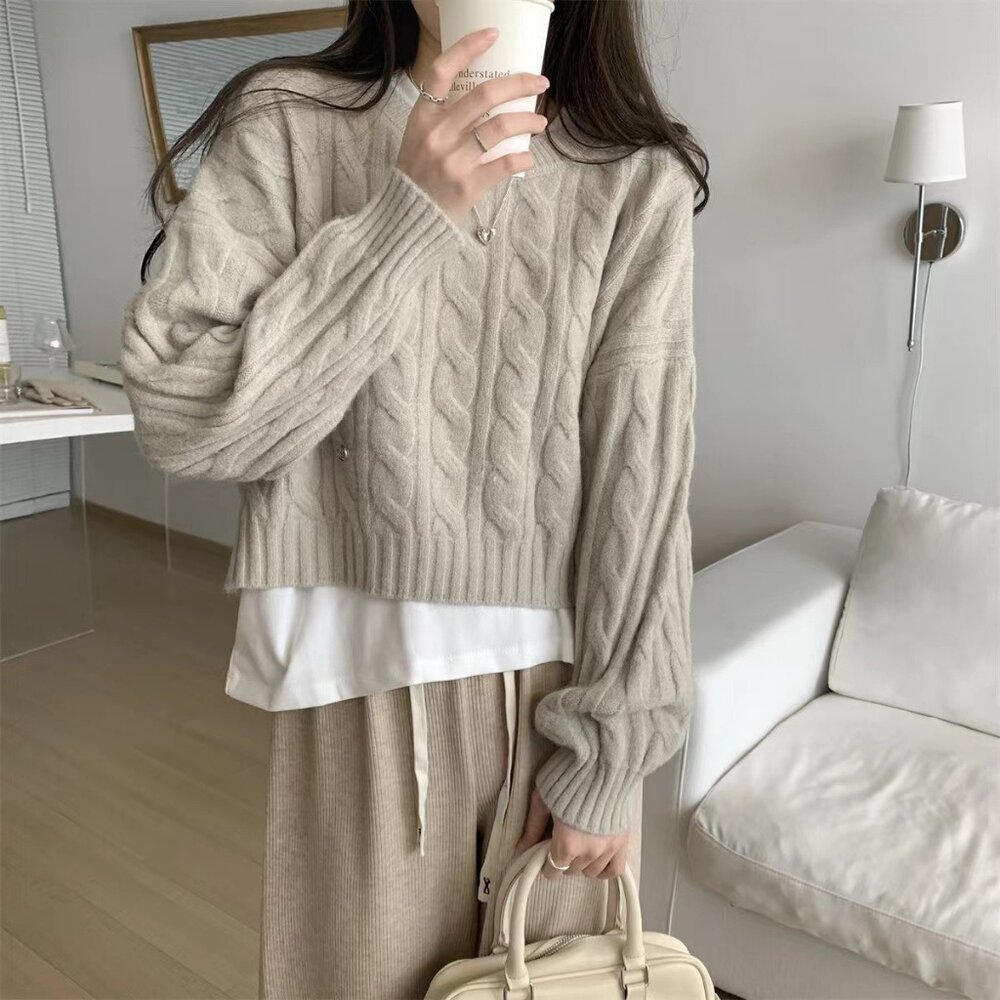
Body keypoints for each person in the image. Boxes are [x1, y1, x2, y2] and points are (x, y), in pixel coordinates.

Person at [120, 1, 709, 996]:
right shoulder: (290, 121)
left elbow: (643, 480)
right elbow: (182, 419)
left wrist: (612, 752)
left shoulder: (633, 173)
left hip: (562, 699)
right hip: (358, 683)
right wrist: (407, 216)